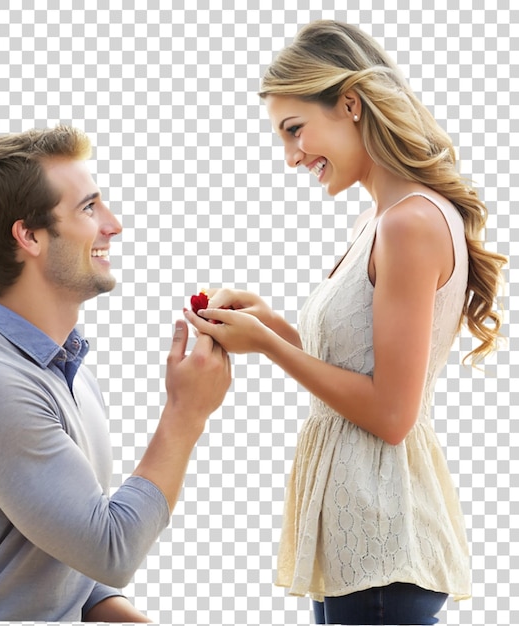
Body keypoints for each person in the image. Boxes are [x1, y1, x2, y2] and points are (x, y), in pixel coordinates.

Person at [184, 20, 506, 626]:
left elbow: (390, 413)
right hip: (361, 540)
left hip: (383, 541)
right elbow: (361, 365)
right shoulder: (381, 219)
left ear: (351, 104)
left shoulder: (407, 224)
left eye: (295, 129)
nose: (291, 156)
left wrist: (272, 350)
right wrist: (272, 326)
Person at [0, 126, 231, 622]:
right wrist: (186, 412)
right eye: (89, 208)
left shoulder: (59, 370)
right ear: (28, 236)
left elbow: (68, 559)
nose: (113, 226)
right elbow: (108, 549)